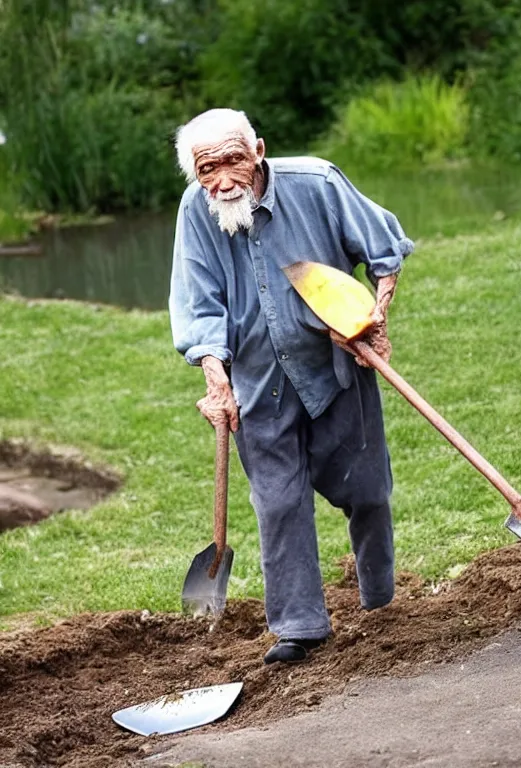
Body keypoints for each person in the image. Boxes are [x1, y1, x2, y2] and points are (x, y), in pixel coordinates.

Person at [169, 109, 413, 663]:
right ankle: (299, 625)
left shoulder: (318, 183)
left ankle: (380, 600)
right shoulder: (196, 212)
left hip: (335, 364)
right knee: (278, 502)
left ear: (258, 150)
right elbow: (198, 300)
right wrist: (215, 377)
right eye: (208, 168)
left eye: (233, 160)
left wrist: (374, 320)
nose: (224, 179)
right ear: (195, 174)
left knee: (367, 489)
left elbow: (385, 250)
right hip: (256, 379)